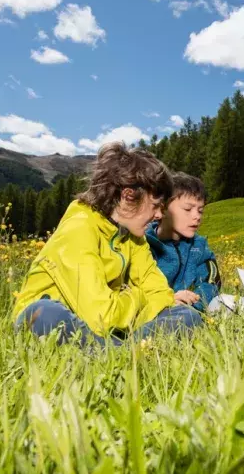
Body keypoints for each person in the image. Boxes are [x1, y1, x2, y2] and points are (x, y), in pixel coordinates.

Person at [13, 142, 202, 348]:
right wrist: (137, 295)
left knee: (188, 316)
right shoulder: (79, 228)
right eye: (155, 206)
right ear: (128, 196)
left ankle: (113, 352)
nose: (159, 215)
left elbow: (161, 294)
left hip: (105, 327)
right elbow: (103, 315)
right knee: (44, 313)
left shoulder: (134, 237)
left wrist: (127, 304)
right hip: (58, 319)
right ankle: (126, 352)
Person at [145, 173, 222, 311]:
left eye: (200, 211)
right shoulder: (144, 245)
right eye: (188, 209)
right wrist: (169, 300)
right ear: (163, 208)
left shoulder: (199, 247)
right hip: (155, 310)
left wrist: (193, 303)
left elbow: (211, 282)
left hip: (188, 310)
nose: (197, 216)